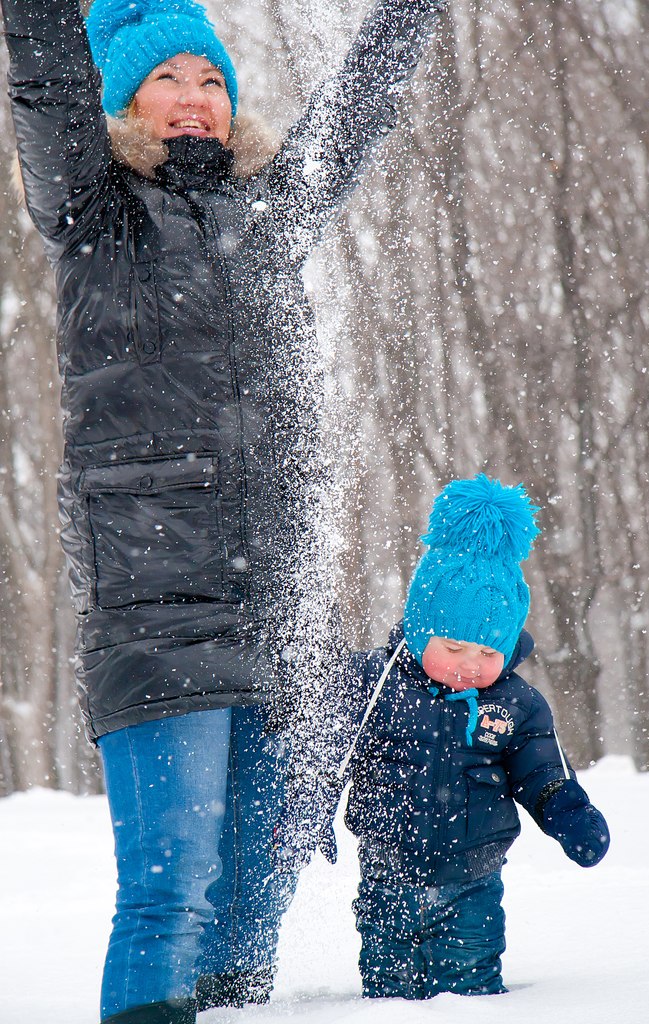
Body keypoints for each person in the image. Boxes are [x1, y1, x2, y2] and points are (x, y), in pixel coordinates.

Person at [0, 0, 447, 1020]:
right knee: (168, 892)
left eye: (210, 81)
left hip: (275, 617)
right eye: (168, 81)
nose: (194, 99)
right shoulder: (93, 211)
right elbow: (46, 80)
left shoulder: (271, 213)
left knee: (253, 904)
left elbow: (356, 112)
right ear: (123, 101)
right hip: (156, 612)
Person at [275, 474, 610, 999]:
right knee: (389, 992)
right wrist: (306, 808)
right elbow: (325, 749)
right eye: (453, 648)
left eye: (487, 652)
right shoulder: (371, 684)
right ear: (419, 628)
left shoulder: (517, 704)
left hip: (474, 878)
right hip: (388, 878)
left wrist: (568, 813)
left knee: (469, 983)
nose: (469, 665)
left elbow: (542, 772)